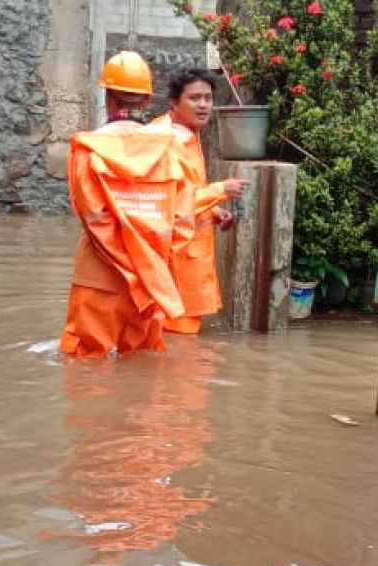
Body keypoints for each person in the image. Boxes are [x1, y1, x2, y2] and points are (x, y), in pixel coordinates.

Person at [61, 52, 190, 358]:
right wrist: (149, 268)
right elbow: (182, 222)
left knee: (86, 365)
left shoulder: (88, 149)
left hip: (99, 275)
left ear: (107, 97)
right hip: (151, 281)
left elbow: (91, 215)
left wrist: (124, 264)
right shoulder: (170, 151)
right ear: (146, 102)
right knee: (143, 364)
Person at [150, 69, 248, 335]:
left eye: (208, 97)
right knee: (179, 341)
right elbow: (168, 203)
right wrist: (220, 190)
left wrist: (213, 211)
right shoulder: (167, 142)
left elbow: (185, 190)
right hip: (176, 260)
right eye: (194, 98)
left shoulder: (182, 135)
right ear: (174, 101)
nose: (203, 104)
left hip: (184, 257)